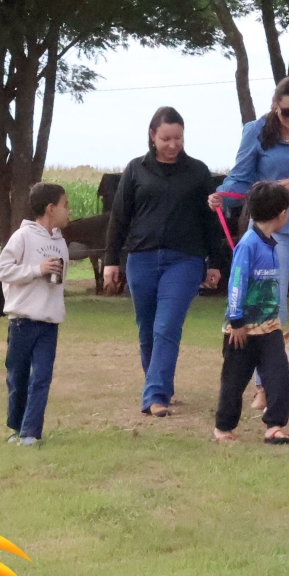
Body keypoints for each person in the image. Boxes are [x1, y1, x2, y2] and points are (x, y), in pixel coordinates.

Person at [209, 76, 289, 410]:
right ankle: (264, 386)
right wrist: (222, 195)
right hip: (271, 231)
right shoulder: (255, 131)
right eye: (288, 112)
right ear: (275, 105)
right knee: (271, 309)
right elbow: (241, 176)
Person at [104, 106, 227, 417]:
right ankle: (158, 385)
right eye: (166, 138)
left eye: (178, 138)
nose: (173, 145)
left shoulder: (198, 172)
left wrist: (215, 262)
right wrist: (111, 261)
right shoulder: (136, 170)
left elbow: (211, 221)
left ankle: (155, 396)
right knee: (147, 329)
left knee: (166, 326)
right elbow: (119, 218)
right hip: (141, 259)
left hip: (185, 261)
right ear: (152, 135)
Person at [214, 182, 289, 445]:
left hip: (269, 328)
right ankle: (223, 428)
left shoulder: (271, 244)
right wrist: (236, 321)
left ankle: (274, 426)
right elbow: (236, 282)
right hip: (242, 330)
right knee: (234, 381)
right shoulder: (248, 244)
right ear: (281, 213)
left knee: (279, 377)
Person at [0, 182, 71, 447]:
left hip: (49, 323)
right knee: (18, 377)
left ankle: (30, 433)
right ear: (50, 209)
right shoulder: (23, 237)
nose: (69, 211)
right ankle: (17, 427)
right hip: (22, 322)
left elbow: (59, 280)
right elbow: (1, 270)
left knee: (42, 377)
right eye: (65, 205)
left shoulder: (60, 242)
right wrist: (36, 270)